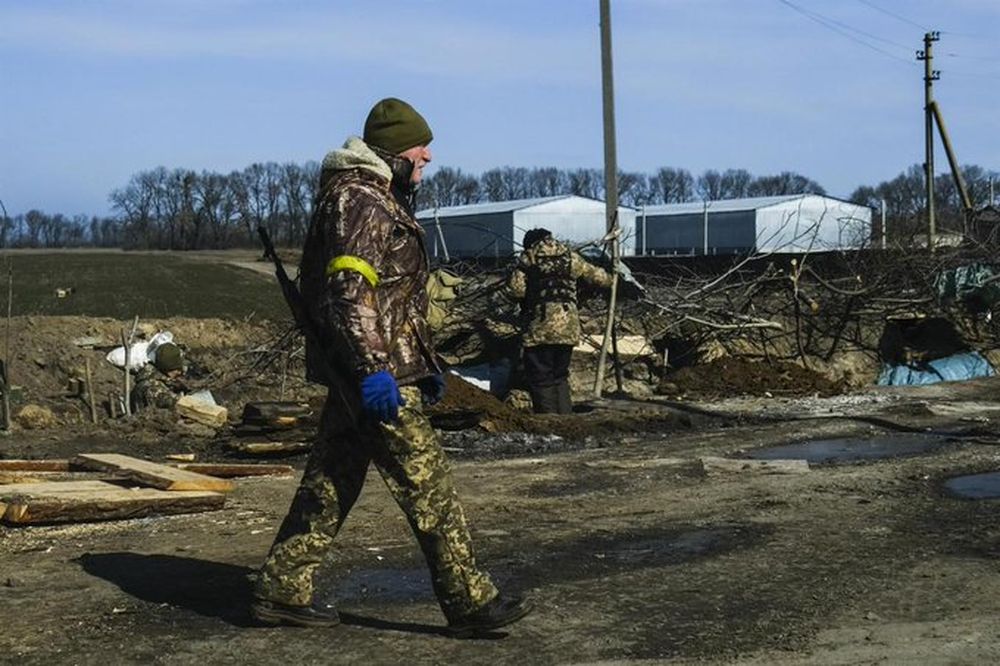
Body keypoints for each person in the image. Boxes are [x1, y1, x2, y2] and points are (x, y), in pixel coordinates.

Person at [251, 98, 531, 636]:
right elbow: (350, 293)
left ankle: (281, 588)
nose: (427, 156)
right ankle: (470, 601)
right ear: (392, 153)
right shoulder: (361, 200)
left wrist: (422, 364)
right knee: (431, 488)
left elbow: (393, 300)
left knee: (331, 481)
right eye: (418, 149)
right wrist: (376, 369)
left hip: (371, 370)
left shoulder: (369, 196)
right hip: (377, 378)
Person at [507, 229, 614, 414]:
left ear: (531, 243)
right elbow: (602, 279)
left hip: (540, 328)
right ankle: (566, 418)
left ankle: (550, 421)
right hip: (569, 328)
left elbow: (516, 291)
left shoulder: (529, 258)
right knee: (559, 376)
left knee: (542, 378)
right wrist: (613, 273)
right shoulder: (572, 257)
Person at [132, 342, 186, 410]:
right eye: (177, 369)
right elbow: (173, 404)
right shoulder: (152, 387)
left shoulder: (153, 377)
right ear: (168, 369)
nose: (180, 372)